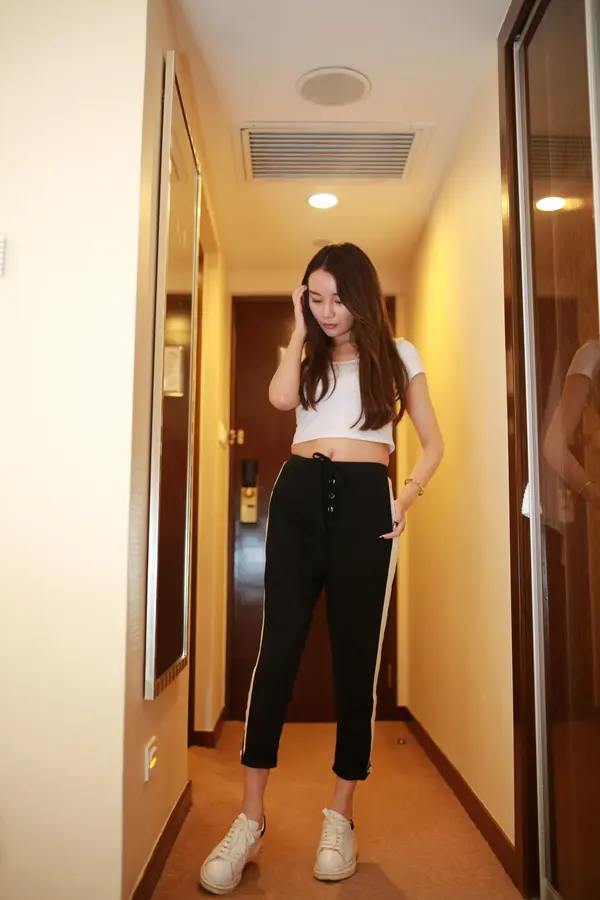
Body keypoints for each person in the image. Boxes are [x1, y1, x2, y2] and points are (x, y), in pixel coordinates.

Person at [199, 243, 444, 895]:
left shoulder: (400, 354)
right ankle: (250, 819)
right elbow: (280, 397)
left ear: (361, 295)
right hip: (299, 495)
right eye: (315, 297)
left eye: (337, 298)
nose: (328, 310)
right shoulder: (305, 349)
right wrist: (297, 327)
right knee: (276, 653)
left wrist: (405, 495)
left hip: (367, 502)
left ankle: (340, 816)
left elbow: (434, 441)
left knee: (356, 661)